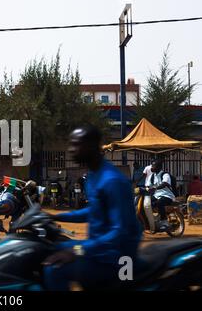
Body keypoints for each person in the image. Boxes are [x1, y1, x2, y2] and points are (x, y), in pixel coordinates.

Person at [42, 125, 142, 291]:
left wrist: (77, 250)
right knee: (45, 249)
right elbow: (93, 212)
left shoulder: (112, 181)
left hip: (118, 258)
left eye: (76, 144)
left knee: (54, 269)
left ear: (91, 146)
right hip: (99, 249)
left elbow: (120, 231)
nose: (71, 149)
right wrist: (55, 217)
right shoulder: (93, 175)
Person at [146, 159, 174, 231]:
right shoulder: (152, 176)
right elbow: (148, 186)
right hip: (156, 195)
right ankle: (151, 220)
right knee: (146, 202)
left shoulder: (165, 174)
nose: (152, 167)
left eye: (153, 165)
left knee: (159, 203)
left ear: (159, 167)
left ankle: (164, 222)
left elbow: (164, 183)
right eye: (152, 165)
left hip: (167, 196)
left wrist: (155, 188)